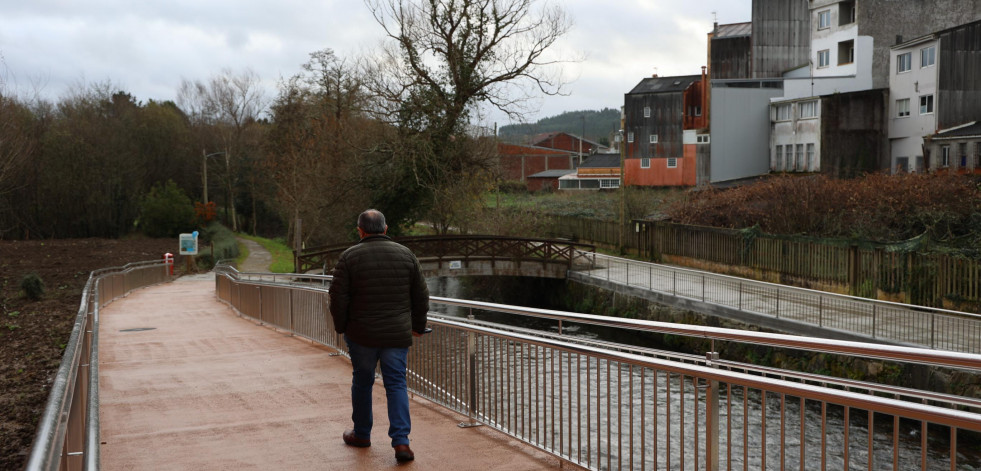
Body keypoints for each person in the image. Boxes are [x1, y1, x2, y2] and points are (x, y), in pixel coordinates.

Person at [328, 209, 429, 463]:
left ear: (360, 230)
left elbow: (338, 297)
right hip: (396, 333)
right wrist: (417, 326)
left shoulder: (349, 257)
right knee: (396, 383)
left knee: (362, 382)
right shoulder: (406, 255)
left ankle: (362, 434)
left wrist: (342, 327)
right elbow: (421, 296)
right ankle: (401, 443)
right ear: (385, 229)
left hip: (361, 334)